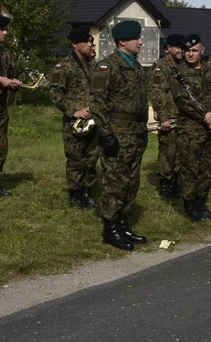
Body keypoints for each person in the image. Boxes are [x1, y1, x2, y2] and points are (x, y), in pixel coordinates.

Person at [90, 20, 149, 250]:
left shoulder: (136, 66)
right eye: (137, 38)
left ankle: (124, 223)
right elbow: (96, 103)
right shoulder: (107, 67)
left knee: (131, 181)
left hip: (136, 132)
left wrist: (143, 129)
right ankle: (110, 228)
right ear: (123, 41)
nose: (141, 42)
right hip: (117, 132)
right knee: (115, 181)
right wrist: (106, 135)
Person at [170, 34, 211, 222]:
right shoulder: (178, 72)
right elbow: (183, 101)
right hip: (191, 129)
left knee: (208, 169)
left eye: (194, 50)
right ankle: (190, 205)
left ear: (202, 51)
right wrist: (205, 118)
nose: (190, 54)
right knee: (190, 169)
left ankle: (202, 203)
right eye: (187, 51)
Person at [49, 26, 99, 208]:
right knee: (76, 159)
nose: (89, 44)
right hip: (75, 123)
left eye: (90, 41)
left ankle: (87, 191)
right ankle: (75, 194)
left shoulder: (92, 64)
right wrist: (74, 111)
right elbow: (55, 95)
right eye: (85, 41)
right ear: (74, 44)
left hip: (93, 120)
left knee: (92, 158)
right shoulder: (63, 67)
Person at [149, 33, 185, 198]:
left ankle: (176, 181)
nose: (181, 51)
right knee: (168, 151)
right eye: (177, 47)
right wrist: (163, 116)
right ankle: (165, 182)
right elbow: (157, 93)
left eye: (182, 48)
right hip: (168, 115)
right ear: (169, 48)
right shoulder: (161, 67)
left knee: (180, 151)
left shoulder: (183, 66)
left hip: (182, 116)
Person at [0, 14, 23, 197]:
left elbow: (10, 74)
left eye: (6, 29)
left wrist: (14, 83)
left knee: (1, 146)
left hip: (1, 108)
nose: (5, 33)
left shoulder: (5, 53)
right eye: (2, 29)